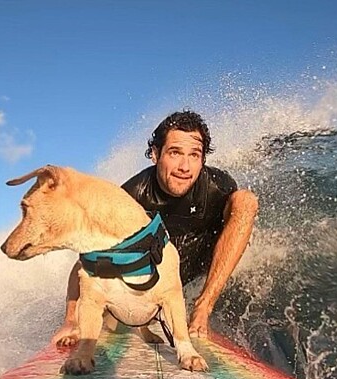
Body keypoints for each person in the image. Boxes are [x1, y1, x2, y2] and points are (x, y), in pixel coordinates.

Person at [51, 110, 258, 345]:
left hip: (198, 263)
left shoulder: (217, 187)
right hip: (152, 277)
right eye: (175, 153)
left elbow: (238, 228)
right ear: (155, 154)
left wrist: (204, 305)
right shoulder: (131, 196)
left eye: (194, 155)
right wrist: (71, 320)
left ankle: (202, 307)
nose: (185, 166)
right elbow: (85, 262)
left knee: (245, 200)